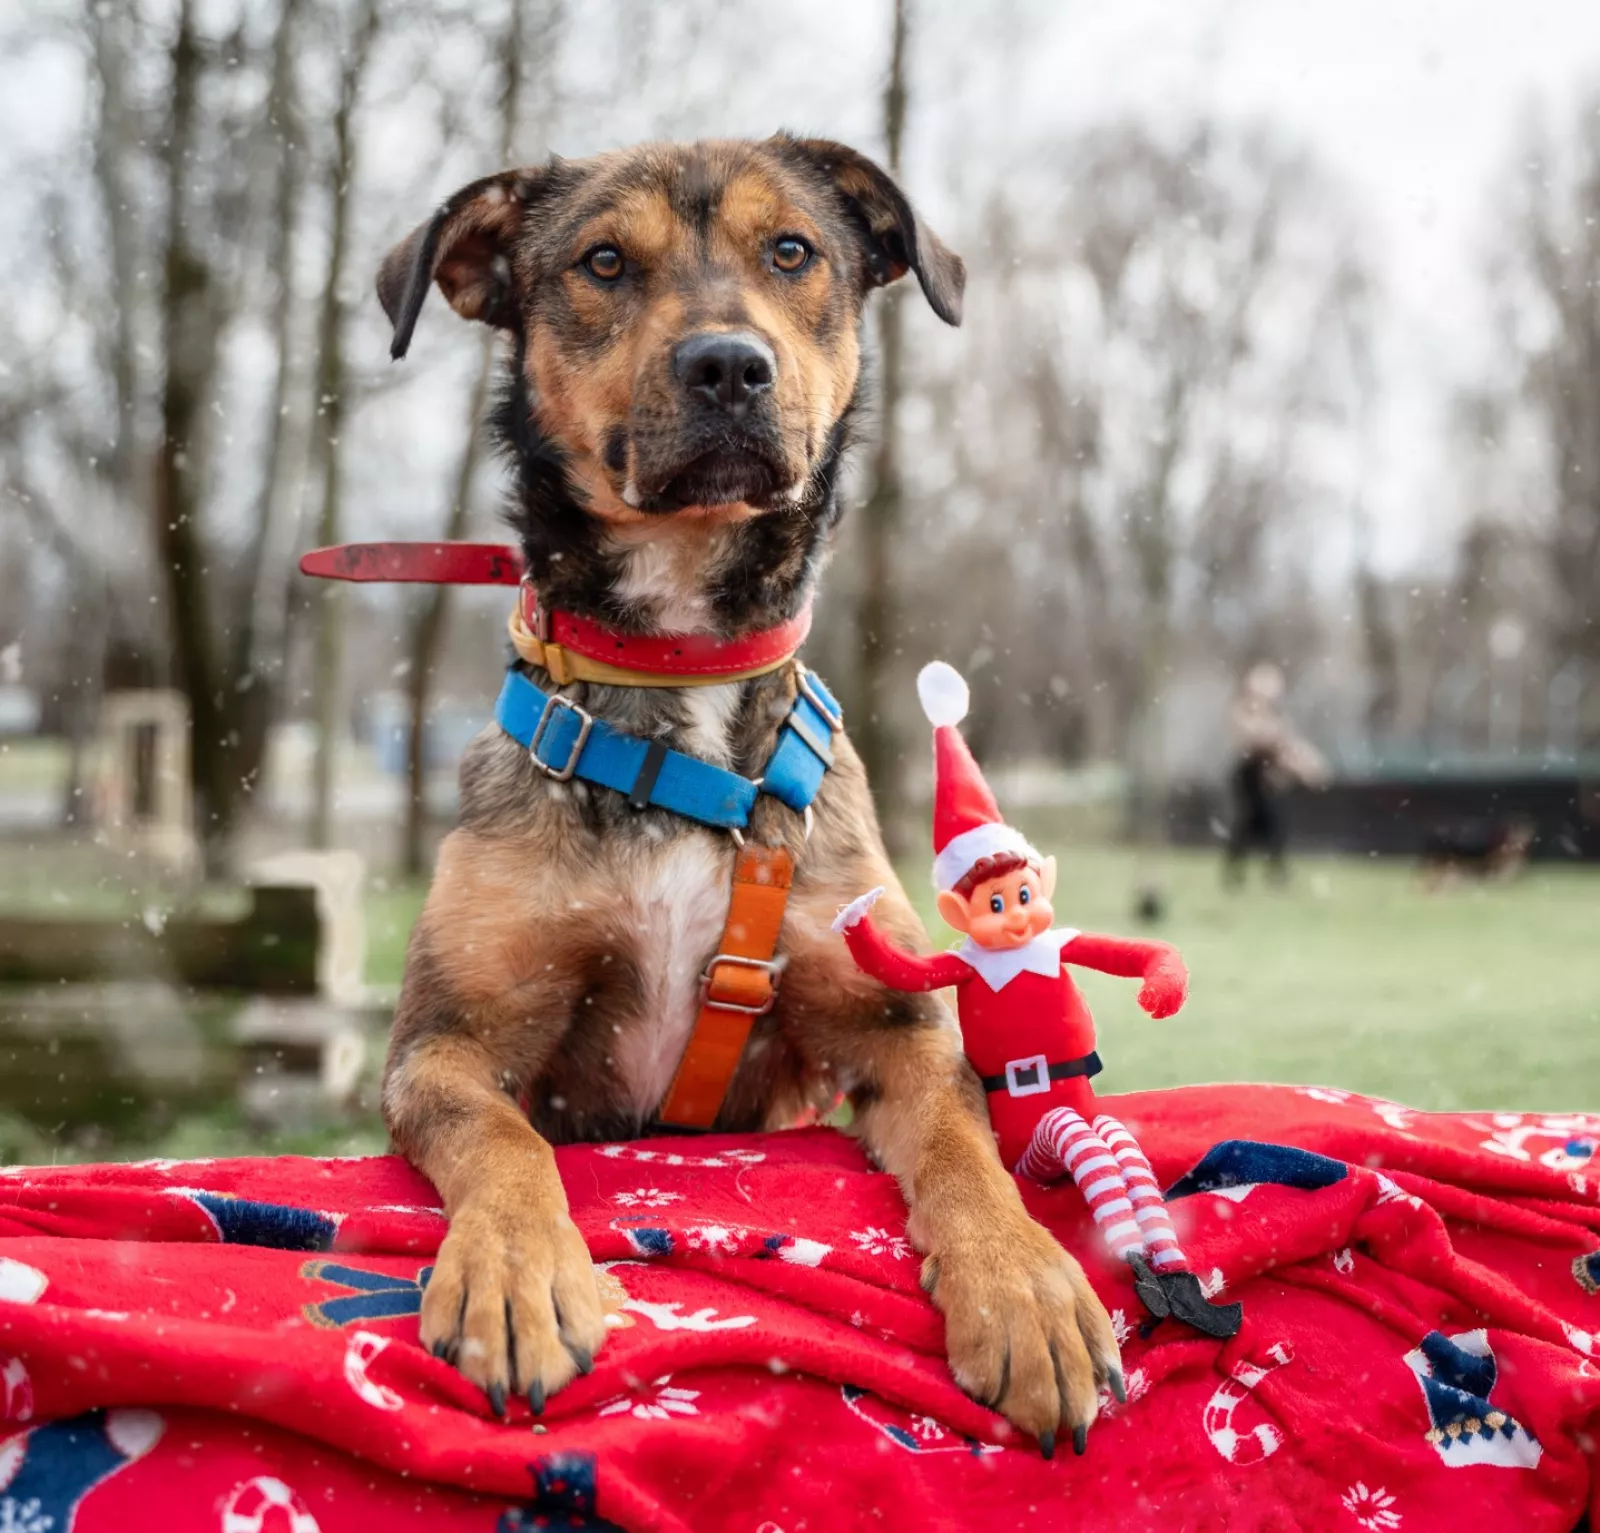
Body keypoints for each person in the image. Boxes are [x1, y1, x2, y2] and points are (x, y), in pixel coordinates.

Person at [1223, 662, 1327, 888]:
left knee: (1274, 825)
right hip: (1249, 775)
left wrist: (1307, 766)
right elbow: (1255, 739)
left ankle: (1273, 872)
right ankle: (1239, 872)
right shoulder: (1243, 710)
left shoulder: (1276, 717)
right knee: (1250, 824)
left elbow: (1289, 746)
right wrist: (1275, 738)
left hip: (1269, 778)